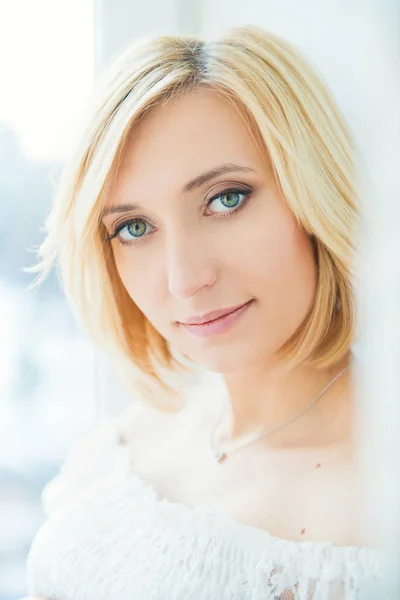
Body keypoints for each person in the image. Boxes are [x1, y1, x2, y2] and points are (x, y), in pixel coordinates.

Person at [23, 24, 381, 600]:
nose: (185, 279)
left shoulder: (375, 507)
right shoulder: (119, 452)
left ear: (313, 194)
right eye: (134, 228)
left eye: (226, 199)